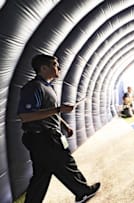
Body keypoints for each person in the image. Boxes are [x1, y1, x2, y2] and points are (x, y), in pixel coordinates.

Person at [17, 54, 100, 203]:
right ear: (43, 68)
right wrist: (58, 109)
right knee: (66, 163)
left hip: (44, 136)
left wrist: (64, 124)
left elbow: (46, 111)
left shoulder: (48, 87)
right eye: (55, 65)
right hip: (42, 137)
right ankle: (83, 192)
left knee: (41, 174)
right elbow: (26, 115)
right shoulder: (34, 87)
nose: (59, 68)